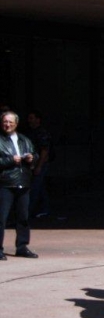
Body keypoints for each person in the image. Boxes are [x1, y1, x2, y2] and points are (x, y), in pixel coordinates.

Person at [0, 110, 39, 260]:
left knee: (23, 217)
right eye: (5, 121)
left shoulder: (24, 139)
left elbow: (34, 155)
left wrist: (31, 158)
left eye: (10, 122)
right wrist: (11, 160)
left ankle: (22, 246)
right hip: (5, 183)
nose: (7, 124)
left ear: (16, 124)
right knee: (1, 219)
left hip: (23, 182)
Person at [26, 111, 52, 218]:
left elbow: (45, 150)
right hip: (33, 162)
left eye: (32, 118)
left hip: (40, 163)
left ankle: (29, 212)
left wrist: (39, 166)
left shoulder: (41, 133)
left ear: (38, 119)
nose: (29, 120)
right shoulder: (31, 132)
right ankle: (45, 209)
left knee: (35, 187)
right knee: (40, 187)